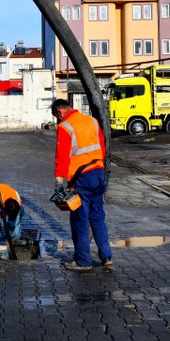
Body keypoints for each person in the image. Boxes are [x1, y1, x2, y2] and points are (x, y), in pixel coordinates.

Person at [51, 98, 113, 272]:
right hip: (99, 174)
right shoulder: (91, 121)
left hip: (82, 179)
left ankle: (83, 261)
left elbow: (62, 156)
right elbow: (102, 146)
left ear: (60, 112)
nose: (58, 120)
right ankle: (106, 256)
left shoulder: (65, 126)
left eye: (57, 116)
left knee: (80, 219)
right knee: (98, 216)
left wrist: (59, 182)